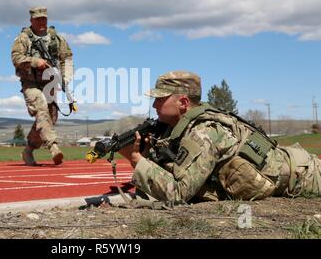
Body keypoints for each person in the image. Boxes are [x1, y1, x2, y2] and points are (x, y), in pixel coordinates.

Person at [119, 71, 321, 204]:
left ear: (183, 102)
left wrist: (138, 161)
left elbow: (178, 193)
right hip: (296, 168)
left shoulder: (203, 133)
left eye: (160, 99)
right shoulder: (183, 128)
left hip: (307, 176)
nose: (154, 105)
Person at [11, 6, 73, 166]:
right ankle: (54, 147)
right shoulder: (23, 38)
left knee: (50, 117)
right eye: (37, 19)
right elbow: (16, 58)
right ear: (31, 20)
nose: (41, 22)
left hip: (50, 84)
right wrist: (34, 61)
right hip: (31, 83)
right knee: (41, 108)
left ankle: (28, 150)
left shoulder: (56, 39)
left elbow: (66, 58)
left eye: (43, 18)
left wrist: (65, 78)